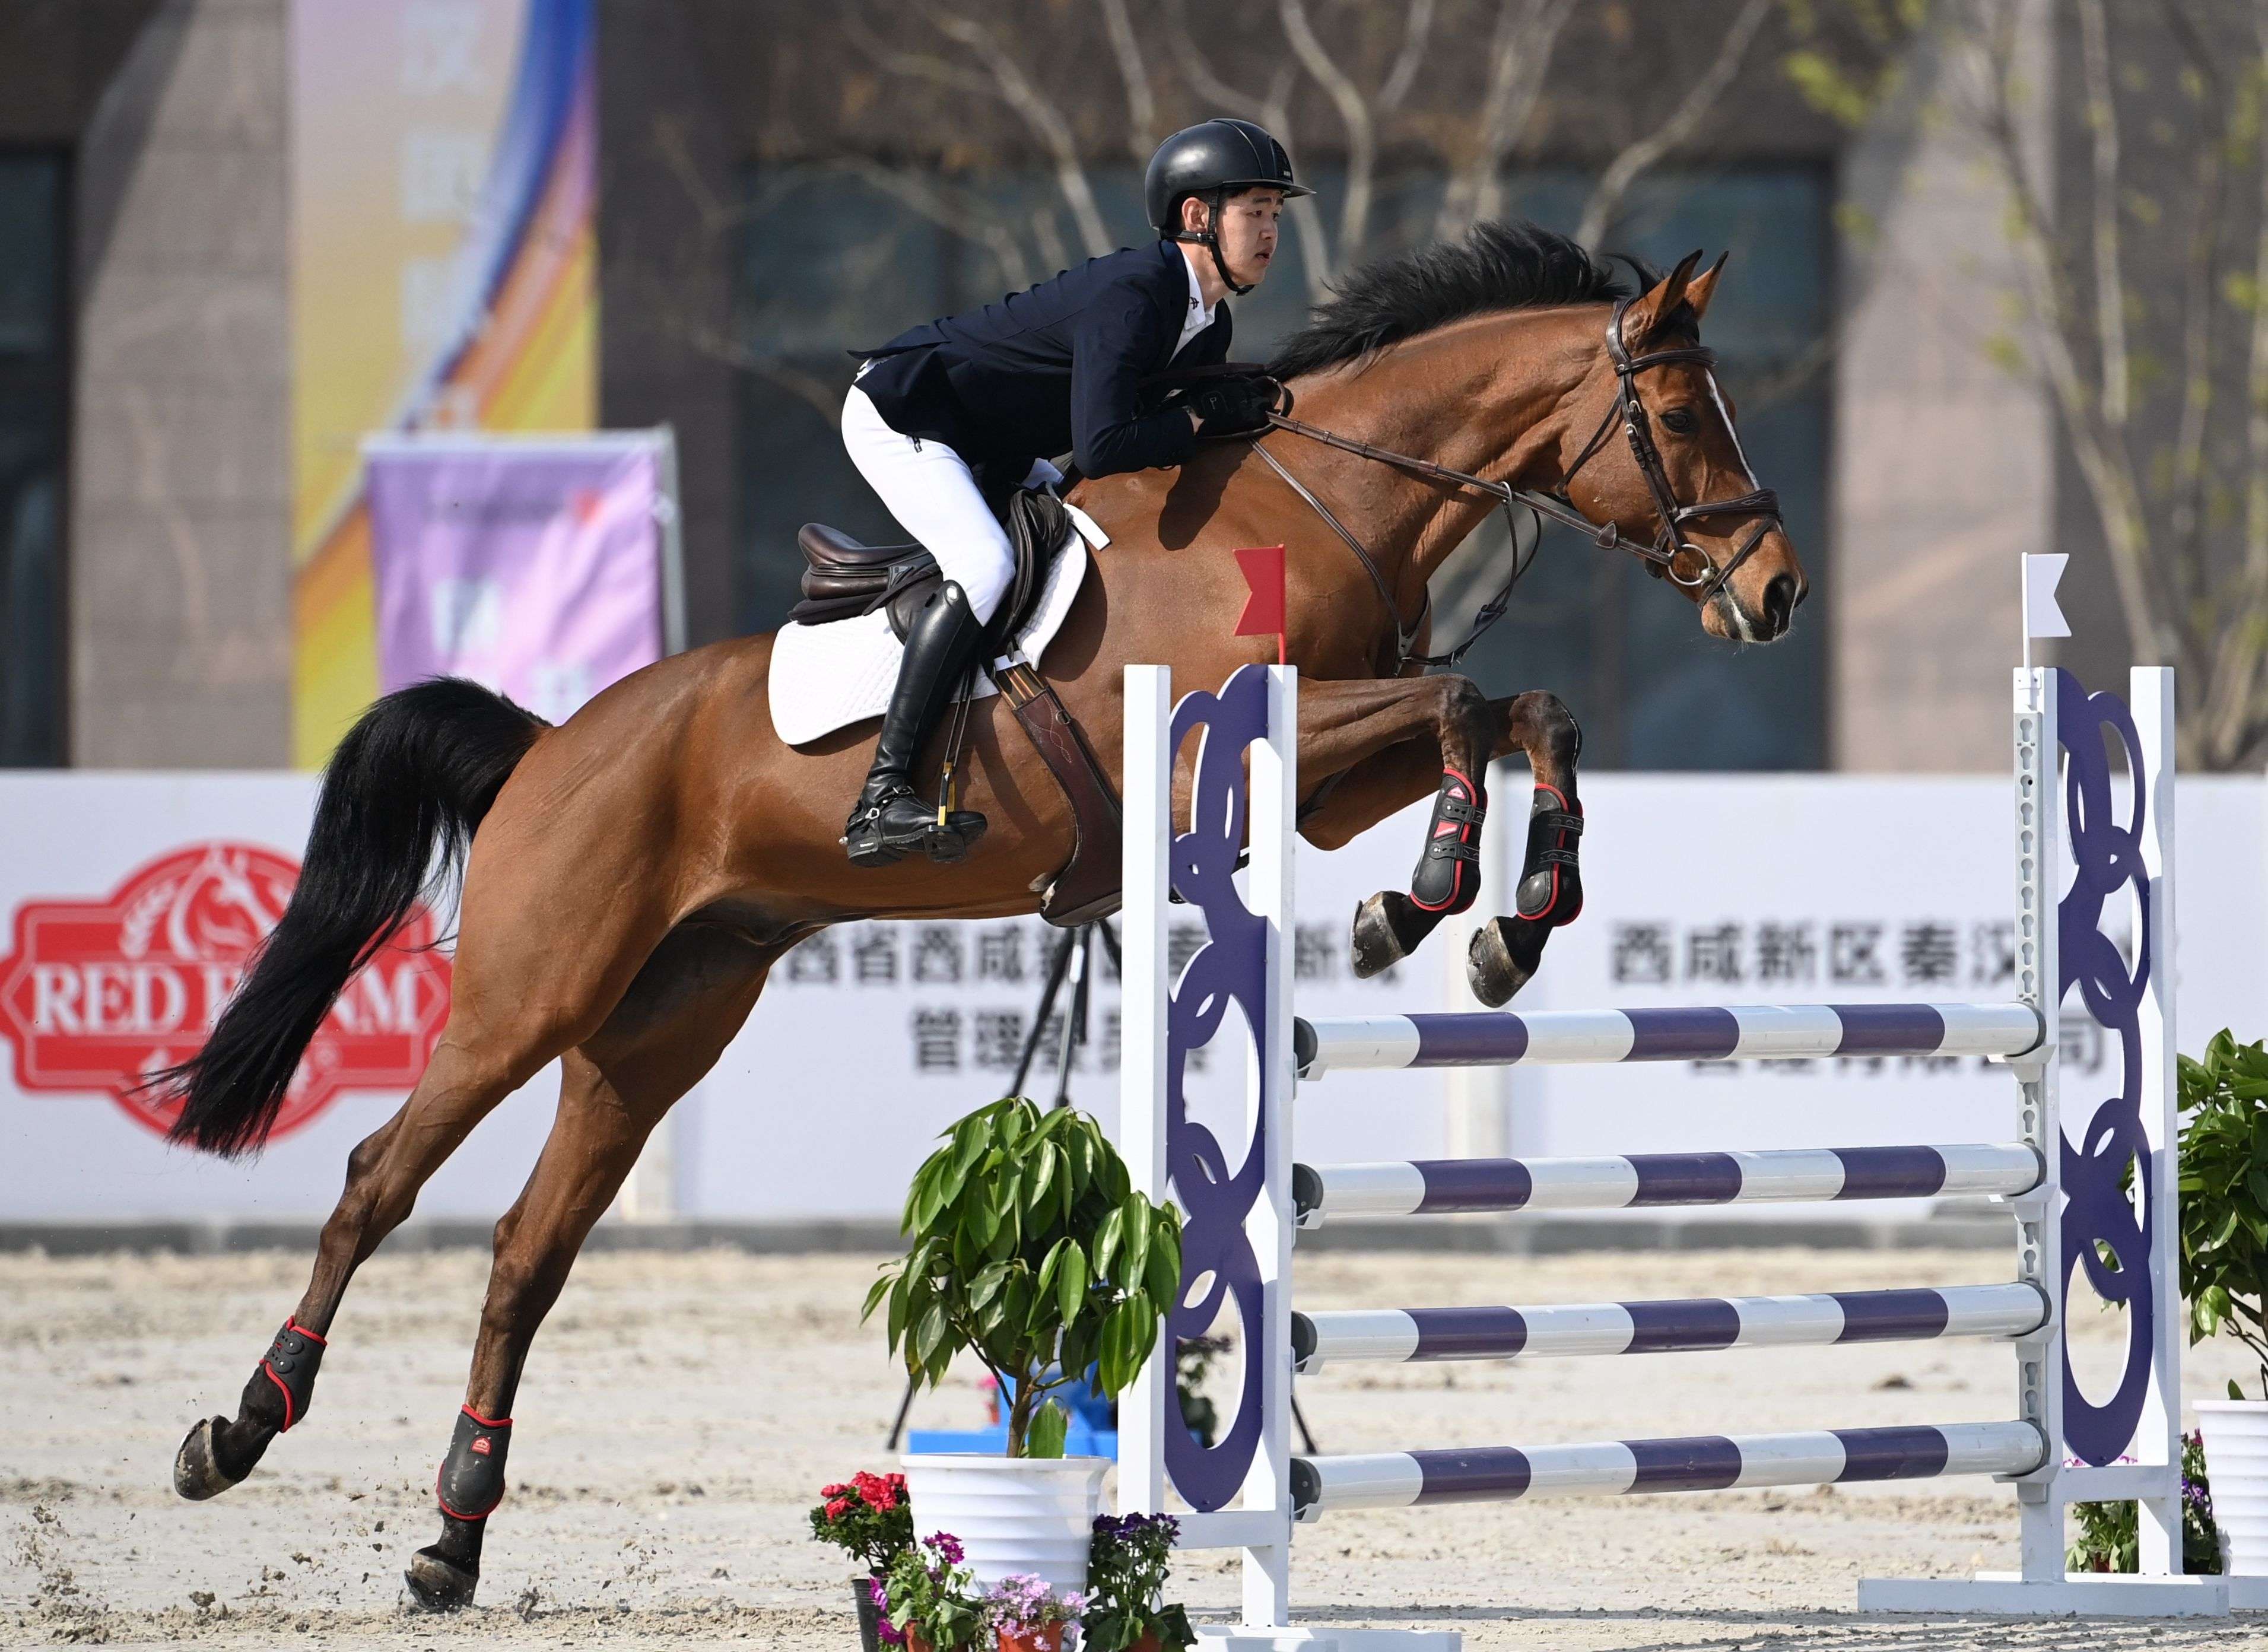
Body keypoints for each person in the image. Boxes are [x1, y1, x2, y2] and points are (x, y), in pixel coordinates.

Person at [838, 116, 1309, 868]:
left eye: (1276, 214)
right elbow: (1104, 447)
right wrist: (1196, 418)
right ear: (1198, 215)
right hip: (909, 413)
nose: (1271, 232)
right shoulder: (1135, 293)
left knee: (1089, 546)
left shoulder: (1206, 322)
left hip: (999, 446)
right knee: (986, 565)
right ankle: (881, 796)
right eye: (1256, 210)